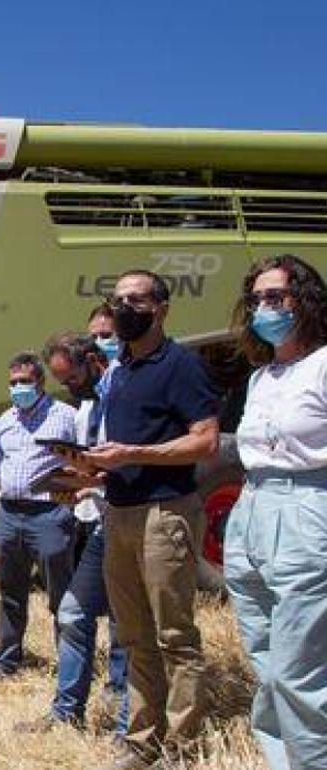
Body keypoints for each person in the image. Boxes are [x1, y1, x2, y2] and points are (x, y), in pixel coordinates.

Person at [83, 270, 218, 770]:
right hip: (118, 512)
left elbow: (205, 440)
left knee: (174, 637)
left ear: (161, 308)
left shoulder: (180, 365)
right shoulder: (118, 371)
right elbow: (124, 450)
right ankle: (142, 740)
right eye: (118, 300)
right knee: (133, 634)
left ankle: (182, 748)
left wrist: (134, 452)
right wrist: (91, 470)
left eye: (136, 300)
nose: (124, 308)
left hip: (165, 513)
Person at [224, 254, 327, 770]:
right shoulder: (261, 377)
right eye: (257, 299)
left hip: (308, 506)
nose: (264, 308)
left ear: (304, 300)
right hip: (252, 507)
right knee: (266, 664)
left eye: (276, 297)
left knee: (298, 671)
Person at [15, 332, 127, 733]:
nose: (70, 388)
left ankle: (128, 722)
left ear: (93, 362)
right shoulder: (88, 407)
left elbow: (133, 459)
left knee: (128, 624)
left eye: (72, 379)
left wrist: (99, 477)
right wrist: (76, 485)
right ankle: (66, 713)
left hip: (130, 522)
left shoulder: (124, 392)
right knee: (72, 613)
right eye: (62, 382)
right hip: (100, 520)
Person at [0, 352, 78, 680]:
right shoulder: (4, 420)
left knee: (60, 594)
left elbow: (81, 464)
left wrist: (66, 504)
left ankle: (69, 666)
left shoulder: (66, 416)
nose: (18, 388)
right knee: (10, 592)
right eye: (13, 383)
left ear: (40, 382)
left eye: (24, 382)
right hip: (9, 513)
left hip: (49, 514)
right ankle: (6, 662)